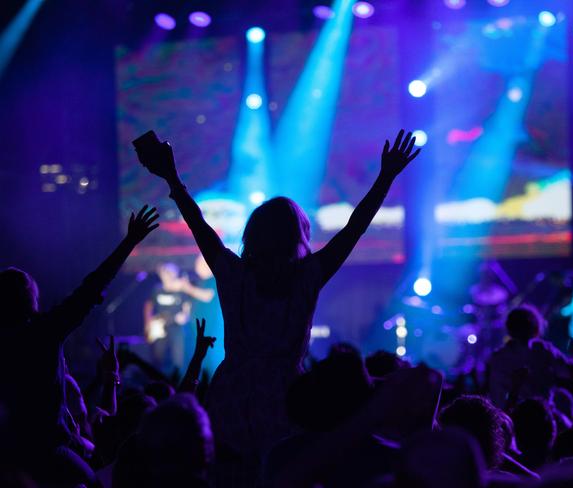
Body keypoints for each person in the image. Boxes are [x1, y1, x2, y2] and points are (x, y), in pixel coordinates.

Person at [135, 129, 421, 477]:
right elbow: (354, 229)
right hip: (287, 399)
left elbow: (199, 226)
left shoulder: (233, 274)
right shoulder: (307, 277)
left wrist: (173, 178)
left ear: (251, 234)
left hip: (231, 396)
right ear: (298, 235)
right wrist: (384, 178)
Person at [0, 205, 159, 484]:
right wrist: (129, 242)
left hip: (14, 450)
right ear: (29, 299)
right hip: (48, 449)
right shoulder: (41, 333)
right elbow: (91, 287)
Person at [488, 305, 573, 409]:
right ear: (535, 327)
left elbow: (497, 397)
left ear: (509, 328)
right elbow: (569, 372)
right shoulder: (545, 350)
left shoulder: (499, 357)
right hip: (544, 415)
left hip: (513, 418)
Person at [143, 262, 214, 374]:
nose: (167, 275)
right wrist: (148, 323)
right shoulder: (157, 289)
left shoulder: (182, 290)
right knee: (157, 358)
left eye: (170, 273)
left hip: (176, 328)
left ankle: (177, 381)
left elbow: (187, 308)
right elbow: (148, 305)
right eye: (165, 273)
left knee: (178, 359)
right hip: (159, 328)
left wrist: (184, 316)